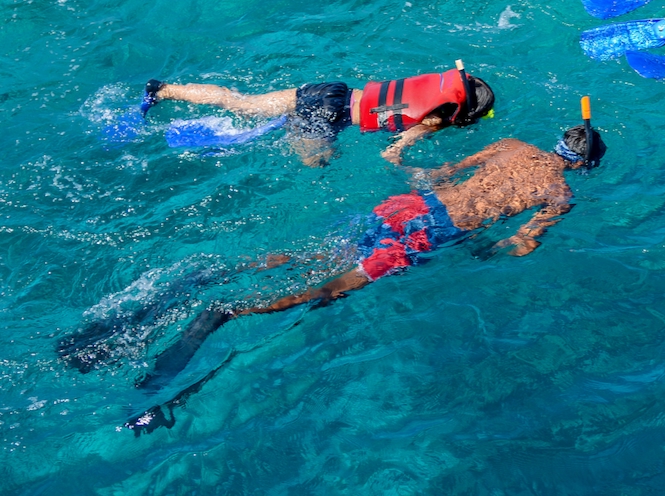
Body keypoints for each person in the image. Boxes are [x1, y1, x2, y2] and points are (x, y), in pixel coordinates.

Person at [62, 122, 607, 430]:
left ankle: (212, 275)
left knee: (302, 254)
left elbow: (436, 173)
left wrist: (423, 176)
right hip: (424, 238)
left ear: (559, 140)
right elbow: (522, 244)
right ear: (582, 164)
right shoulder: (559, 194)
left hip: (404, 207)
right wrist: (491, 252)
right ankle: (230, 311)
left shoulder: (510, 146)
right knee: (327, 290)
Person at [142, 64, 495, 166]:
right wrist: (420, 172)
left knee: (244, 104)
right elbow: (391, 152)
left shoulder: (429, 88)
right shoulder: (433, 120)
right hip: (330, 118)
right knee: (318, 164)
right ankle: (292, 128)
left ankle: (164, 90)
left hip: (332, 92)